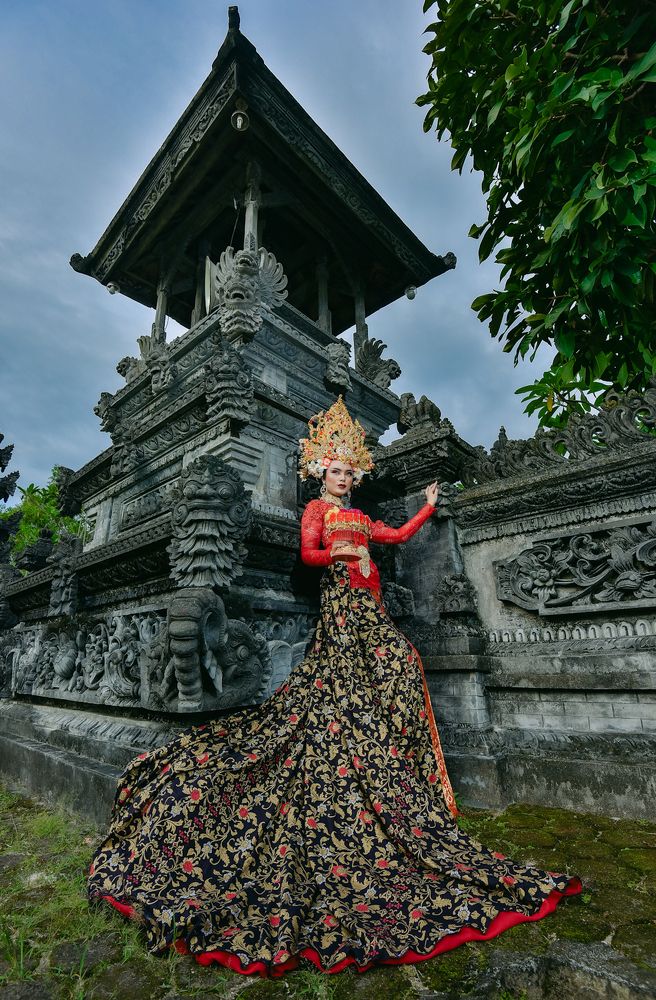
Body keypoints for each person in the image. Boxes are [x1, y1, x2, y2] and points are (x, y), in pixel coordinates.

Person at [88, 397, 581, 977]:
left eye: (351, 472)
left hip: (372, 609)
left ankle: (395, 768)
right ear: (320, 472)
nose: (344, 478)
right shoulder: (319, 511)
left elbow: (395, 537)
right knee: (346, 687)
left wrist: (426, 508)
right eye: (336, 470)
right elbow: (307, 552)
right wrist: (340, 553)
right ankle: (347, 755)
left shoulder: (362, 516)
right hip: (342, 606)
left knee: (400, 664)